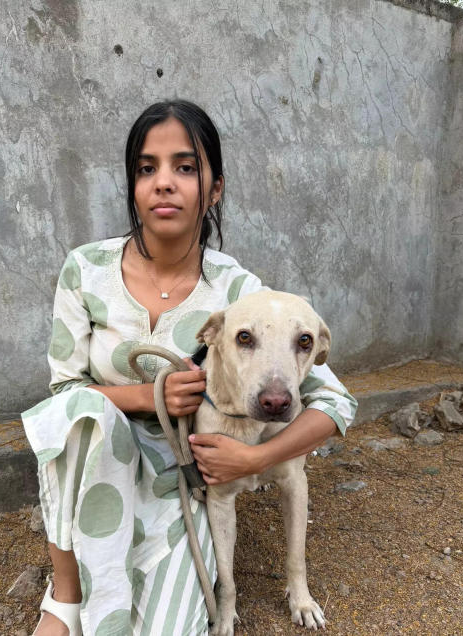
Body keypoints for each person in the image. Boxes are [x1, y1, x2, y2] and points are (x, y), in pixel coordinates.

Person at [22, 100, 357, 636]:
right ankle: (65, 595)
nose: (163, 182)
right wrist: (148, 397)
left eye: (184, 167)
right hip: (100, 463)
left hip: (181, 481)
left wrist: (255, 458)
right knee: (81, 414)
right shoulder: (84, 269)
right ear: (133, 186)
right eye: (146, 168)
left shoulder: (239, 291)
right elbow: (64, 395)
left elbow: (336, 401)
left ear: (214, 189)